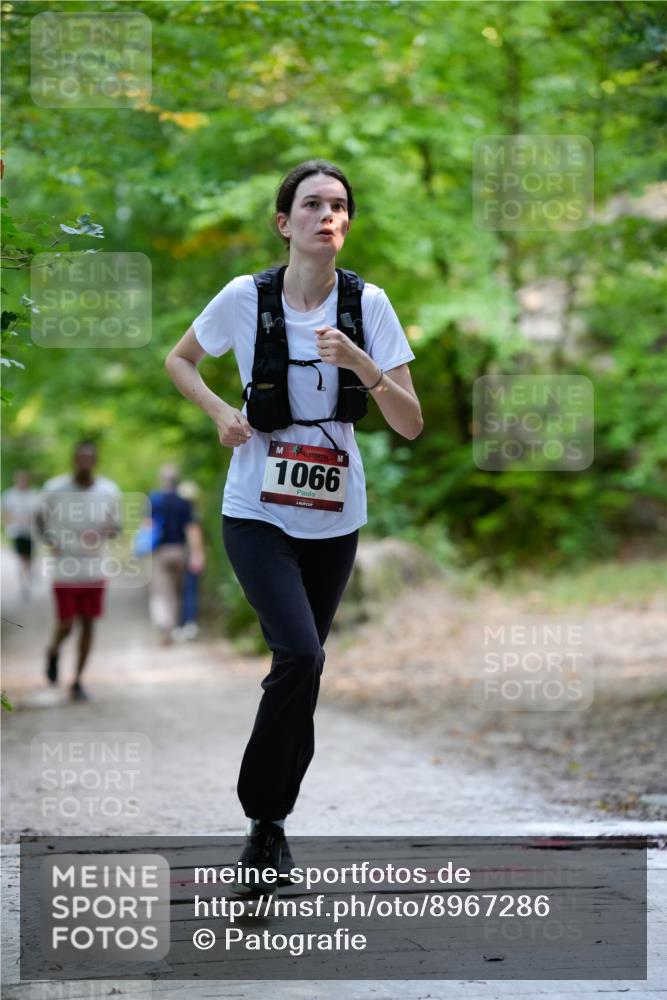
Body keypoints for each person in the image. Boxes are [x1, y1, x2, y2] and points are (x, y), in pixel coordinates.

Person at [165, 159, 422, 892]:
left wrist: (365, 366)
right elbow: (179, 361)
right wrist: (221, 412)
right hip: (255, 510)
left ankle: (268, 827)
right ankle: (264, 818)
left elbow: (408, 423)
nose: (326, 216)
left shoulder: (367, 304)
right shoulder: (246, 299)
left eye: (338, 206)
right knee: (301, 656)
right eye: (311, 205)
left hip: (335, 517)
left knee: (300, 670)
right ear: (285, 223)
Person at [35, 441, 121, 701]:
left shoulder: (109, 491)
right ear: (74, 460)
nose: (84, 463)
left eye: (89, 458)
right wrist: (49, 540)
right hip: (65, 569)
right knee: (66, 623)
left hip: (95, 569)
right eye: (80, 458)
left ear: (95, 461)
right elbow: (38, 517)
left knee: (88, 624)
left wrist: (108, 530)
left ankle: (78, 680)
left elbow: (116, 527)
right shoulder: (55, 488)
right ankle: (53, 651)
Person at [146, 464, 205, 645]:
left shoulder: (154, 500)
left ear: (162, 480)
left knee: (161, 591)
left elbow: (147, 527)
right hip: (180, 551)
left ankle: (164, 625)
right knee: (177, 591)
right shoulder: (184, 502)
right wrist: (197, 553)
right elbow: (191, 529)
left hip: (161, 552)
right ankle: (175, 626)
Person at [173, 479, 204, 642]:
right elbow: (195, 535)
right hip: (189, 556)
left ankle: (179, 625)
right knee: (190, 591)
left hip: (177, 555)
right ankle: (189, 624)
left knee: (178, 591)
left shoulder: (176, 510)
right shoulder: (193, 513)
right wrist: (198, 554)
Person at [1, 469, 39, 599]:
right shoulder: (9, 495)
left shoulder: (33, 495)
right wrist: (12, 521)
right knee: (21, 557)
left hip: (31, 532)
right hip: (17, 532)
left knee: (30, 556)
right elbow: (5, 513)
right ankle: (24, 584)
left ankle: (29, 574)